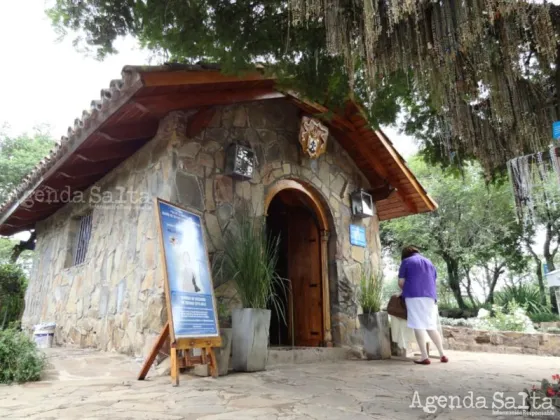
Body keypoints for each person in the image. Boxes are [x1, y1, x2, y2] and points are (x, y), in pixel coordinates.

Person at [398, 246, 448, 365]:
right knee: (431, 325)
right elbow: (433, 279)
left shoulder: (406, 262)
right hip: (430, 296)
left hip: (413, 295)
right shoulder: (429, 262)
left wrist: (404, 290)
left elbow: (401, 282)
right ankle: (442, 354)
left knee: (418, 324)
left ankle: (424, 356)